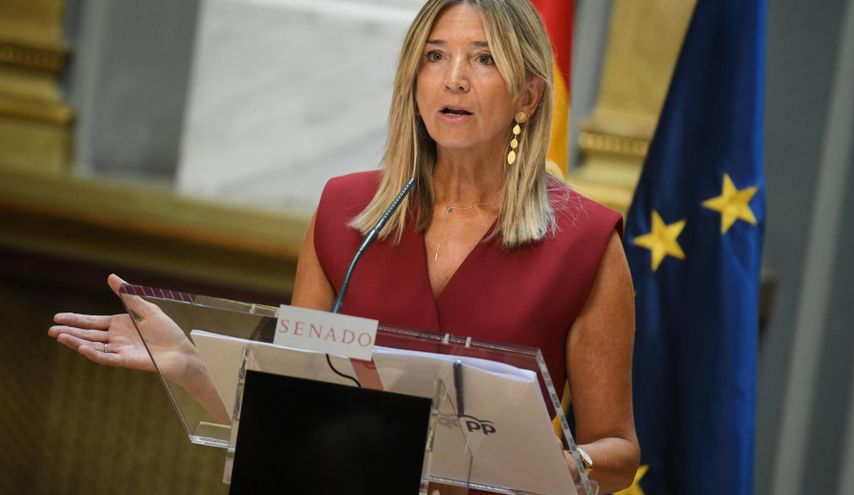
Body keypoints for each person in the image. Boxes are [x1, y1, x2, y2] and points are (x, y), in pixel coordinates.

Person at [49, 0, 639, 492]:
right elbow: (295, 414)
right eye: (434, 56)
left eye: (484, 58)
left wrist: (552, 470)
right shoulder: (344, 216)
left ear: (529, 97)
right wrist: (189, 366)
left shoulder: (584, 244)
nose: (453, 76)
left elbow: (617, 449)